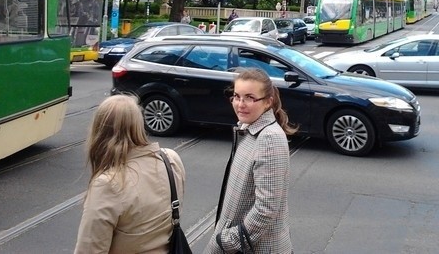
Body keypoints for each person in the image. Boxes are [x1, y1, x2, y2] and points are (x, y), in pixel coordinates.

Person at [74, 94, 185, 254]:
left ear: (99, 131)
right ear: (139, 124)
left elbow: (90, 249)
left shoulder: (108, 183)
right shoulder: (170, 159)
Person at [205, 68, 297, 254]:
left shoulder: (269, 138)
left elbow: (266, 208)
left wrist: (229, 241)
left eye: (249, 97)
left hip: (256, 248)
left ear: (267, 102)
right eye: (237, 96)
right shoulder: (249, 128)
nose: (240, 104)